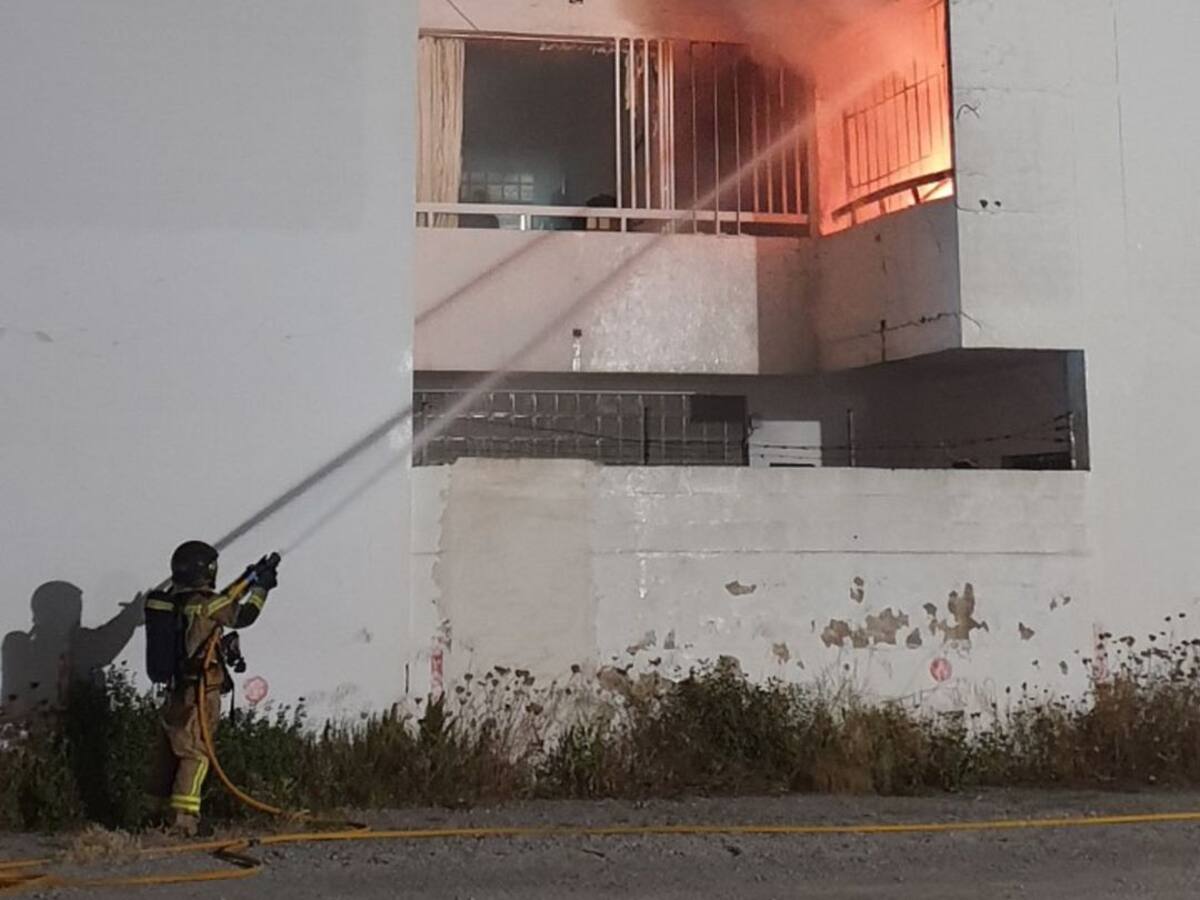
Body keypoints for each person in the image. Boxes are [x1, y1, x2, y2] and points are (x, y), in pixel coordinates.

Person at [148, 541, 277, 835]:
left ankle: (154, 813)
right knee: (196, 752)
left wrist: (249, 577)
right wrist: (262, 589)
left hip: (176, 690)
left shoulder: (177, 600)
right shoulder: (208, 603)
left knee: (171, 749)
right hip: (200, 692)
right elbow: (242, 615)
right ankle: (184, 820)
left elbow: (223, 600)